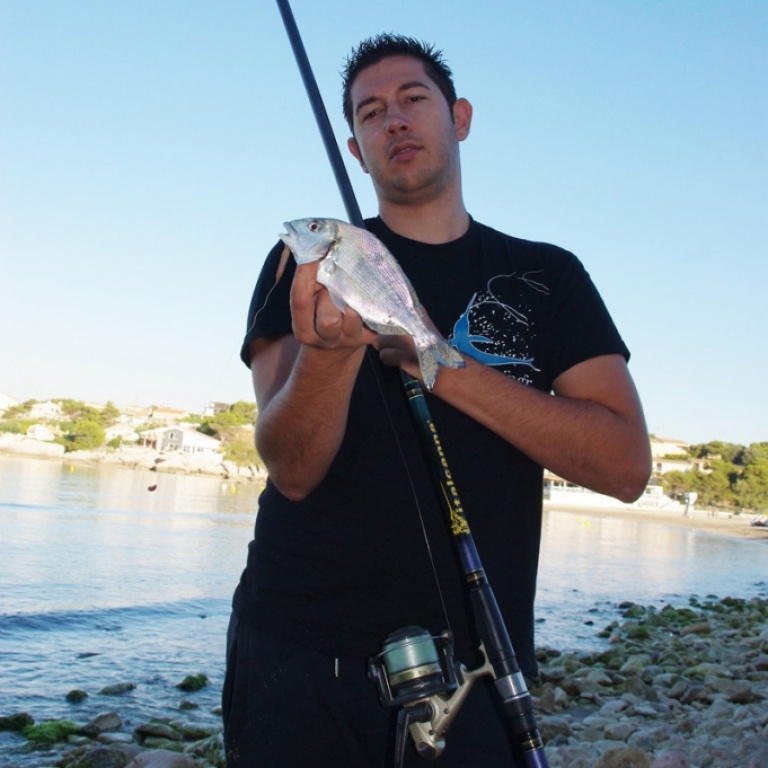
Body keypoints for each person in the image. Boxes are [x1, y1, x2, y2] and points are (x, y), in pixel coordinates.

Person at [223, 33, 651, 768]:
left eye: (413, 99)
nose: (393, 120)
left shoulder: (549, 276)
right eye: (369, 112)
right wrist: (327, 355)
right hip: (295, 649)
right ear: (356, 150)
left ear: (460, 118)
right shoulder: (308, 264)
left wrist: (440, 367)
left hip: (477, 665)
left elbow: (624, 468)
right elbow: (290, 466)